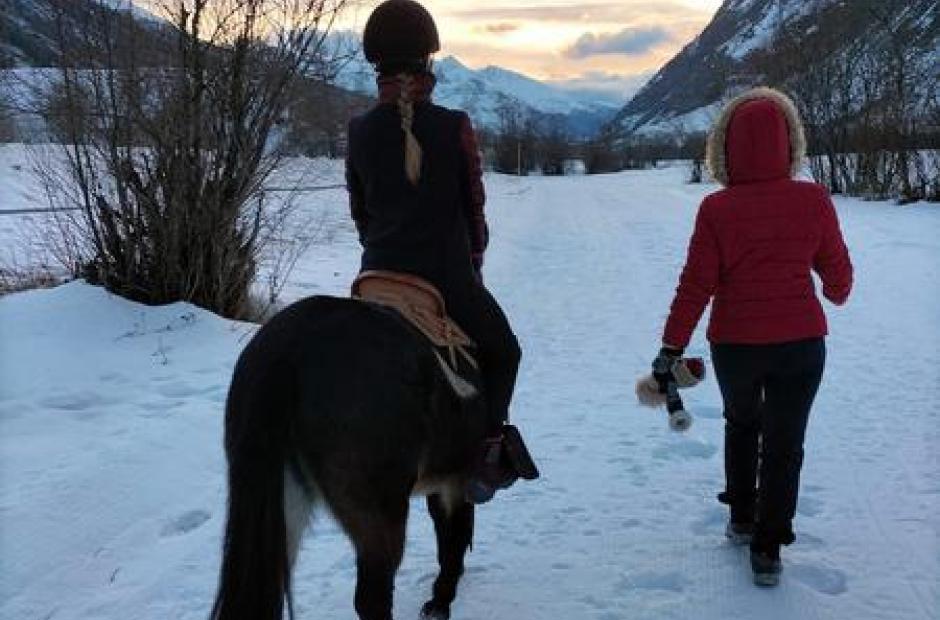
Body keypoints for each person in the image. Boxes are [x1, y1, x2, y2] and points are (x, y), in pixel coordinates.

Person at [652, 87, 853, 586]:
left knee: (742, 424)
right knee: (785, 442)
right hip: (802, 344)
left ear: (725, 148)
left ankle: (741, 516)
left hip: (736, 345)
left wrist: (671, 346)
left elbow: (695, 284)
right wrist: (826, 277)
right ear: (791, 144)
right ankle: (769, 548)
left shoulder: (717, 209)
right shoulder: (814, 200)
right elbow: (839, 285)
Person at [346, 0, 528, 504]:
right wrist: (472, 265)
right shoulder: (453, 126)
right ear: (428, 60)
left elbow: (361, 215)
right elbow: (474, 211)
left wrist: (384, 255)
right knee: (505, 352)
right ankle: (486, 453)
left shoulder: (358, 130)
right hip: (444, 279)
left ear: (376, 65)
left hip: (375, 279)